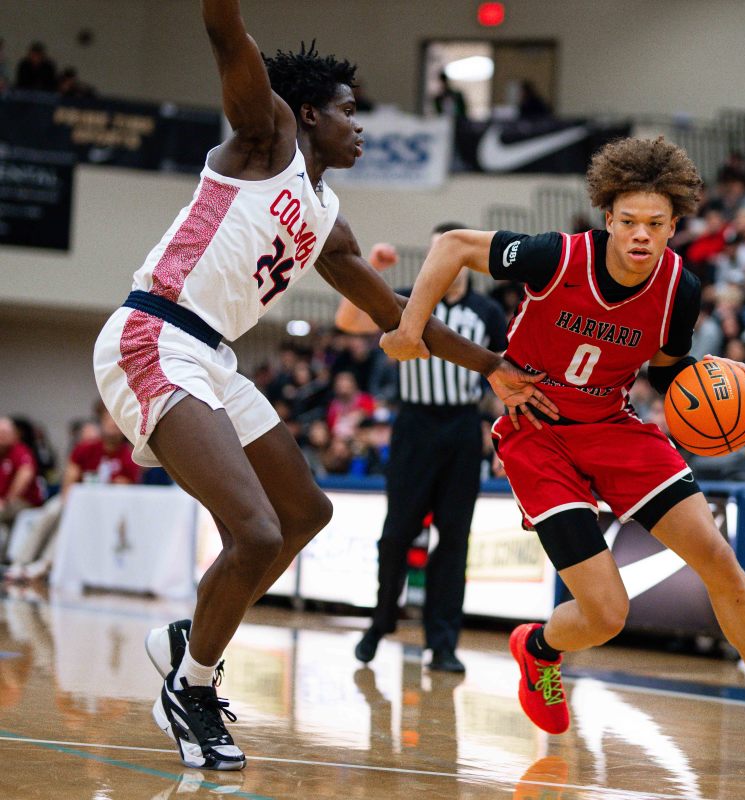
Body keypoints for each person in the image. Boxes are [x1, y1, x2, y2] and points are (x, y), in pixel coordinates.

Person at [91, 0, 552, 771]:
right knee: (258, 531)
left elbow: (400, 317)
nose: (360, 125)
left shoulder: (328, 222)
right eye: (348, 111)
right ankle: (190, 687)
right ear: (308, 114)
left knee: (305, 512)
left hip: (213, 356)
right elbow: (223, 32)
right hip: (155, 334)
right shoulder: (263, 136)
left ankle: (187, 635)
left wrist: (494, 367)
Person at [385, 136, 745, 772]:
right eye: (628, 221)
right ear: (607, 218)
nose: (640, 235)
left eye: (655, 224)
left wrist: (719, 378)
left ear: (674, 227)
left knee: (717, 557)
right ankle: (541, 648)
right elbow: (452, 244)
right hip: (537, 433)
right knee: (605, 615)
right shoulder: (553, 256)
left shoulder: (682, 287)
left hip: (613, 423)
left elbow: (665, 369)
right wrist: (412, 328)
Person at [336, 225, 508, 673]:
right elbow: (348, 322)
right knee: (396, 534)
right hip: (413, 426)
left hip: (462, 429)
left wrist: (501, 433)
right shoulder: (407, 299)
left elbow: (504, 376)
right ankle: (381, 621)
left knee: (454, 539)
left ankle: (443, 642)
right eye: (434, 251)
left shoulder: (488, 311)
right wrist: (372, 268)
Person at [4, 406, 140, 582]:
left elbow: (126, 487)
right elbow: (70, 476)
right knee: (52, 510)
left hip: (101, 508)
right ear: (102, 424)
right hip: (76, 497)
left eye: (117, 423)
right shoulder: (86, 448)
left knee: (72, 521)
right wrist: (68, 497)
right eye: (109, 422)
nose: (113, 426)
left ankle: (45, 563)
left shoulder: (129, 456)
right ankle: (21, 561)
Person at [0, 417, 45, 557]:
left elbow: (25, 476)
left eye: (6, 432)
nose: (3, 436)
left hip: (24, 501)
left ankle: (5, 559)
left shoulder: (20, 451)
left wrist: (6, 500)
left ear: (14, 434)